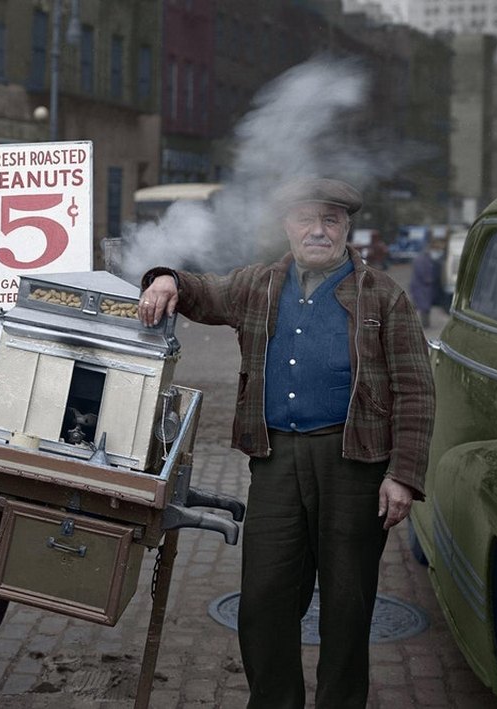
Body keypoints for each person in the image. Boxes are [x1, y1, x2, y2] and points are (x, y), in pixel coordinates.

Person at [138, 177, 435, 709]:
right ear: (287, 226)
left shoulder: (384, 296)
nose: (317, 231)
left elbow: (416, 389)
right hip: (275, 462)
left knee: (348, 606)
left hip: (355, 467)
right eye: (306, 219)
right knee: (264, 600)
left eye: (331, 221)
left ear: (347, 228)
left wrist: (404, 474)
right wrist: (166, 279)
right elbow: (204, 293)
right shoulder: (259, 285)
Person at [409, 235, 445, 328]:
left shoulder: (429, 258)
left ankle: (424, 324)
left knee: (423, 306)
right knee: (422, 306)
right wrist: (430, 279)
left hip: (424, 288)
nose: (438, 251)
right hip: (421, 287)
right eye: (437, 249)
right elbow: (423, 273)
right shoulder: (421, 259)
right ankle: (423, 325)